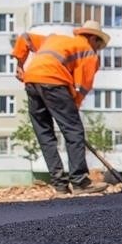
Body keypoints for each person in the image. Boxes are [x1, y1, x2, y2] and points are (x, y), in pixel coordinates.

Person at [11, 20, 110, 195]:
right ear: (94, 39)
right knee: (74, 132)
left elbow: (25, 38)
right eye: (99, 45)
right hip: (55, 82)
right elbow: (81, 88)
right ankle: (80, 182)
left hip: (32, 81)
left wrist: (20, 64)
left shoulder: (53, 39)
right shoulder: (88, 53)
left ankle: (59, 185)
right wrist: (72, 116)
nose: (98, 50)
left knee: (45, 134)